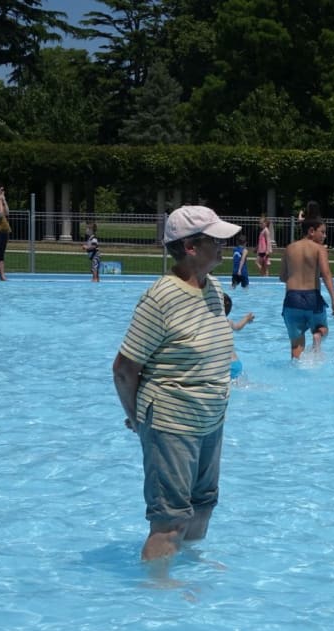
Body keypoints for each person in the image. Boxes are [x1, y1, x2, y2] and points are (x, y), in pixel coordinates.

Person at [113, 205, 241, 564]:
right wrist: (138, 418)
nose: (223, 246)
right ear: (190, 247)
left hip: (210, 420)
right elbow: (124, 368)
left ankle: (188, 570)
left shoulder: (211, 287)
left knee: (203, 505)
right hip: (172, 423)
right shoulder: (161, 298)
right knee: (169, 519)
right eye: (214, 240)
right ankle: (158, 599)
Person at [279, 213, 334, 359]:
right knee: (322, 329)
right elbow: (326, 274)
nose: (324, 236)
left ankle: (296, 375)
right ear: (311, 231)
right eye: (322, 232)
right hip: (312, 297)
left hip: (292, 299)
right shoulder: (320, 249)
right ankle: (317, 336)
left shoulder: (289, 248)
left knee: (296, 344)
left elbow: (282, 277)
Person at [223, 292, 254, 381]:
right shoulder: (229, 322)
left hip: (224, 366)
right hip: (236, 363)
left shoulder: (211, 324)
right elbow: (238, 327)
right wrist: (246, 319)